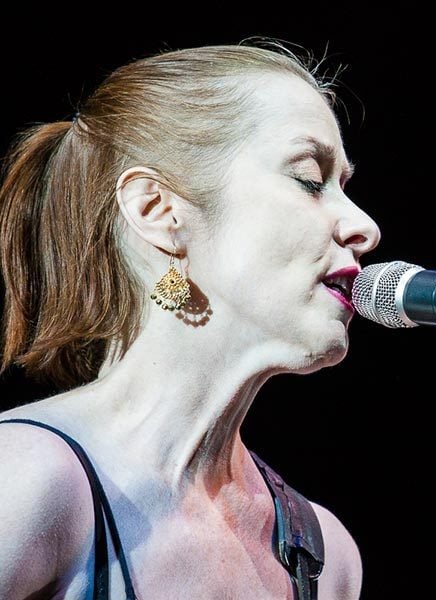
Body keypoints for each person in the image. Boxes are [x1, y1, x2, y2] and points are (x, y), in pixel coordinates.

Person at [0, 40, 380, 600]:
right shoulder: (27, 478)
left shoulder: (327, 558)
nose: (365, 227)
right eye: (308, 178)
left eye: (343, 186)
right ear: (158, 210)